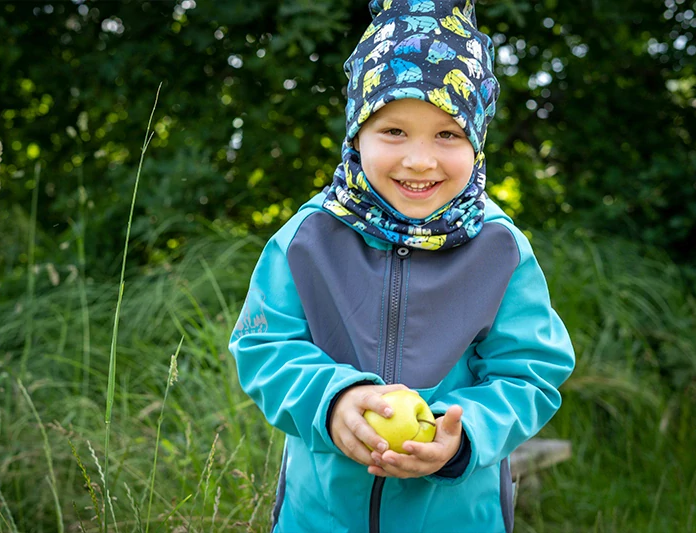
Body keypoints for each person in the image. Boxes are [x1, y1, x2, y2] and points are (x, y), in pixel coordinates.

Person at [228, 1, 575, 531]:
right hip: (318, 517)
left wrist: (465, 438)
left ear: (477, 142)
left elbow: (531, 372)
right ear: (356, 133)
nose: (419, 159)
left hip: (458, 518)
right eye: (393, 131)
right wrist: (334, 400)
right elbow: (264, 345)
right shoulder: (308, 239)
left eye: (448, 134)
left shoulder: (499, 249)